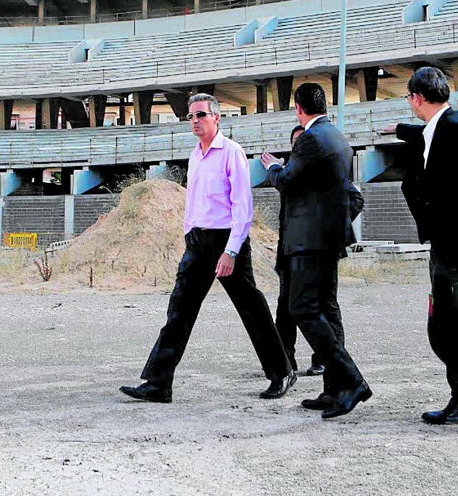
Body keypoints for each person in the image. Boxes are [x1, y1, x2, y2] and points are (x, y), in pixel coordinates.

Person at [120, 93, 295, 403]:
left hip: (227, 241)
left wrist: (230, 251)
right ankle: (158, 383)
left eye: (201, 114)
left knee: (251, 308)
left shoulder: (232, 153)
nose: (195, 121)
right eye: (191, 116)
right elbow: (193, 201)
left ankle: (282, 372)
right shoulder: (195, 156)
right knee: (179, 311)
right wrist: (189, 233)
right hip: (198, 242)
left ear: (216, 118)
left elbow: (243, 206)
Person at [392, 67, 458, 425]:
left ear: (418, 98)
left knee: (449, 324)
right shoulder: (438, 126)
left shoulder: (454, 128)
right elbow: (421, 135)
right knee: (445, 324)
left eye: (409, 98)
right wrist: (400, 131)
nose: (409, 104)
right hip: (444, 238)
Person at [262, 82, 370, 420]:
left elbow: (289, 180)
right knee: (325, 308)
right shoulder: (337, 137)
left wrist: (272, 168)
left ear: (298, 108)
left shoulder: (309, 139)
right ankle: (333, 388)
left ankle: (351, 381)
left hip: (309, 241)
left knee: (302, 308)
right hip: (328, 240)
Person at [272, 124, 331, 378]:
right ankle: (285, 360)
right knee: (285, 308)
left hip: (314, 251)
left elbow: (354, 200)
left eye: (303, 141)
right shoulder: (290, 173)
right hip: (288, 251)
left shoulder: (320, 172)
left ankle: (324, 359)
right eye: (295, 142)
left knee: (319, 307)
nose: (299, 146)